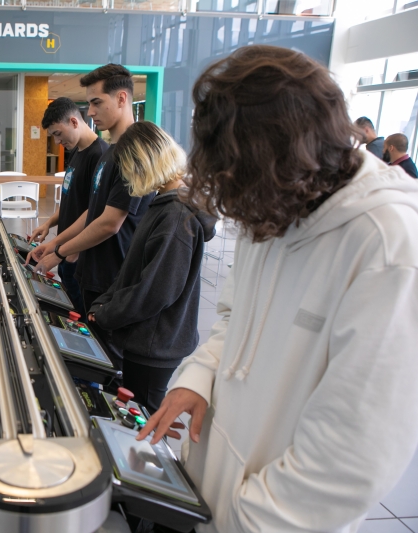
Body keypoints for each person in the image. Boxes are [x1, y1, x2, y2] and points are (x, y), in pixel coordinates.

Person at [140, 45, 418, 533]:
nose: (237, 201)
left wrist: (247, 517)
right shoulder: (276, 202)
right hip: (212, 494)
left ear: (292, 157)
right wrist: (197, 377)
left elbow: (352, 455)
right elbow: (233, 317)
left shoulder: (388, 247)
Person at [26, 64, 155, 367]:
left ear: (122, 99)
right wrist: (57, 242)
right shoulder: (111, 151)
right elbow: (93, 213)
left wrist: (59, 251)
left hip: (114, 280)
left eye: (97, 102)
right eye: (88, 104)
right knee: (89, 356)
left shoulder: (133, 152)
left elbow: (111, 223)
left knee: (108, 366)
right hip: (93, 276)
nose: (91, 111)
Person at [86, 121, 216, 413]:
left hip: (153, 345)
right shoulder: (164, 203)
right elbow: (136, 271)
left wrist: (107, 314)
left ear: (140, 164)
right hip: (148, 339)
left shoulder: (175, 216)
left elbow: (156, 290)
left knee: (141, 421)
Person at [29, 97, 107, 315]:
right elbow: (71, 199)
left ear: (74, 122)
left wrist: (60, 247)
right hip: (66, 249)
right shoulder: (77, 153)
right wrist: (49, 223)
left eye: (58, 134)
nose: (57, 142)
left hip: (77, 253)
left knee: (81, 316)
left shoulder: (99, 155)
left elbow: (93, 212)